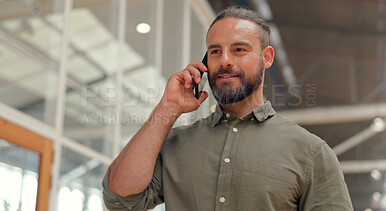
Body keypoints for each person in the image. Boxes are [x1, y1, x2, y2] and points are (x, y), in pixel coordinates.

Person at [102, 6, 353, 211]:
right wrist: (166, 109)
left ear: (266, 57)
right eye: (215, 51)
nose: (225, 61)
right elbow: (120, 199)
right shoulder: (175, 144)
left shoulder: (311, 153)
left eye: (239, 49)